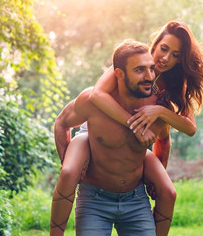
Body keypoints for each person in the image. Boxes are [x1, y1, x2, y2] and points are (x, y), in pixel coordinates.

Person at [51, 20, 203, 236]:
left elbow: (188, 129)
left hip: (136, 148)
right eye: (164, 49)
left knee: (167, 191)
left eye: (176, 55)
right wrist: (134, 125)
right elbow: (96, 95)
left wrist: (160, 113)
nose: (166, 58)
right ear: (154, 45)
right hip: (98, 129)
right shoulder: (130, 59)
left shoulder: (170, 90)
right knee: (71, 167)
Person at [54, 39, 169, 235]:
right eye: (139, 70)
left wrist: (154, 176)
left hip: (136, 200)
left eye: (151, 68)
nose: (149, 76)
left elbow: (164, 138)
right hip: (94, 200)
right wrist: (70, 166)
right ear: (119, 74)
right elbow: (61, 123)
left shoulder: (157, 107)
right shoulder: (92, 102)